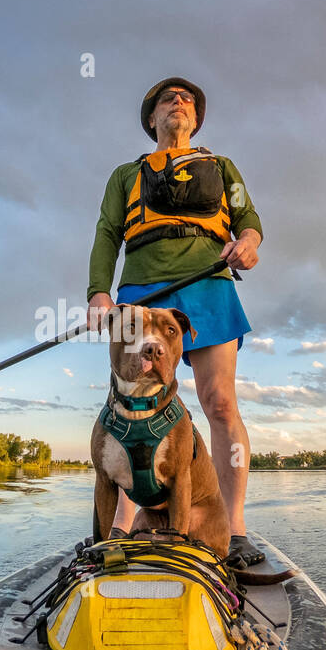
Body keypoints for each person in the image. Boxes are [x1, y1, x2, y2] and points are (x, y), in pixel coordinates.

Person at [85, 76, 263, 561]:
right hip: (143, 289)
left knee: (220, 402)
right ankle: (121, 528)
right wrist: (100, 293)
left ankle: (235, 527)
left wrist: (248, 243)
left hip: (210, 283)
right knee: (129, 403)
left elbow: (248, 221)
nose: (179, 103)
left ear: (197, 118)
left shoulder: (222, 167)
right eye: (168, 98)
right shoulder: (126, 174)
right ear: (152, 118)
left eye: (187, 99)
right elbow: (107, 233)